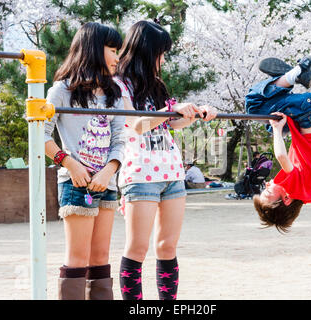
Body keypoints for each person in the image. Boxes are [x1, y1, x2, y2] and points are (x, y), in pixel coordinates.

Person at [115, 20, 217, 300]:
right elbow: (134, 124)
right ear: (146, 51)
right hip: (140, 174)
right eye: (161, 53)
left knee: (167, 247)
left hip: (171, 172)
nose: (163, 59)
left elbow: (170, 124)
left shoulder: (154, 85)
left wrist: (196, 113)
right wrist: (171, 109)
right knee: (137, 248)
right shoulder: (119, 85)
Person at [44, 22, 125, 300]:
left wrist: (108, 171)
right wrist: (69, 163)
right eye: (112, 50)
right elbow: (40, 135)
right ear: (93, 49)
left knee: (100, 257)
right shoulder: (61, 91)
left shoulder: (115, 94)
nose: (117, 57)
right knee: (77, 258)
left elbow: (120, 140)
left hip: (107, 183)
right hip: (76, 183)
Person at [246, 47, 311, 233]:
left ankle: (288, 77)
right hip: (309, 110)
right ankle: (297, 73)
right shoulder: (293, 187)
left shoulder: (309, 191)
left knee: (270, 119)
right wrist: (276, 130)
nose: (266, 184)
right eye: (267, 191)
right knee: (254, 107)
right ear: (286, 199)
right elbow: (281, 156)